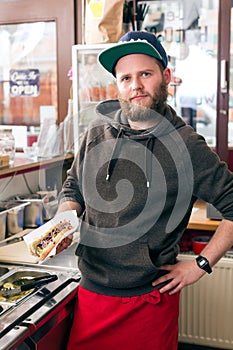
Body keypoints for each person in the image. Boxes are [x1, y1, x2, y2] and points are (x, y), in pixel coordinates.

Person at [57, 31, 233, 350]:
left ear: (165, 76)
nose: (135, 85)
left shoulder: (187, 146)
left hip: (149, 303)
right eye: (126, 78)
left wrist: (201, 264)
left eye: (145, 74)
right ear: (118, 85)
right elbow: (74, 188)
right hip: (92, 295)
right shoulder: (96, 133)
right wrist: (62, 224)